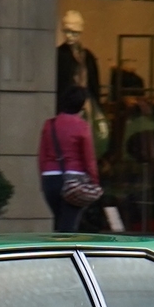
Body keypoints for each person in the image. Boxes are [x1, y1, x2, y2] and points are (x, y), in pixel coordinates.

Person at [38, 86, 99, 232]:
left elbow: (42, 155)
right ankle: (64, 254)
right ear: (81, 105)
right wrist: (95, 181)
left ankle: (58, 251)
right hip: (75, 179)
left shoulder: (49, 125)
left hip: (50, 178)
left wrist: (43, 179)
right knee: (68, 226)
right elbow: (88, 158)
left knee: (61, 222)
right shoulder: (82, 126)